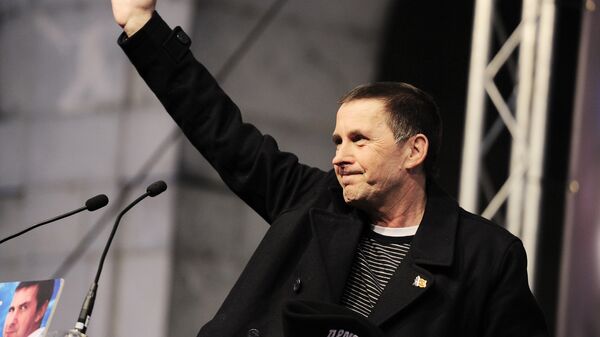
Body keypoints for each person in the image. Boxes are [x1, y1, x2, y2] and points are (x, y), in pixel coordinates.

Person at [111, 0, 550, 336]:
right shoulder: (312, 201)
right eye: (337, 141)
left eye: (359, 140)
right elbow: (219, 130)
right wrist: (141, 25)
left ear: (414, 151)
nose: (339, 155)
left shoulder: (485, 255)